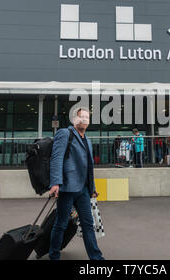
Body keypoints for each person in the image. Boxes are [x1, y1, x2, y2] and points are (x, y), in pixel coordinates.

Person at [48, 107, 104, 260]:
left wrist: (92, 188)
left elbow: (88, 167)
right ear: (74, 120)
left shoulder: (88, 141)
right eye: (81, 117)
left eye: (87, 117)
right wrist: (55, 183)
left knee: (88, 224)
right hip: (67, 187)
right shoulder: (65, 133)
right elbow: (56, 158)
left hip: (83, 190)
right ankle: (54, 255)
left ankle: (96, 258)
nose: (84, 119)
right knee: (61, 224)